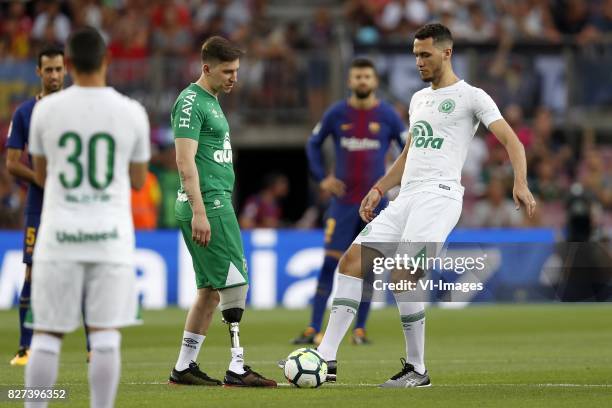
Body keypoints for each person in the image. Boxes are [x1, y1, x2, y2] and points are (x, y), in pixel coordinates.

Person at [314, 23, 536, 387]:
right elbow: (409, 152)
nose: (418, 61)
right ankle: (327, 359)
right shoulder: (418, 99)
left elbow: (513, 141)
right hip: (406, 197)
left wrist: (520, 182)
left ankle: (417, 369)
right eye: (415, 54)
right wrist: (380, 186)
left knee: (403, 274)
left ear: (447, 53)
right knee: (351, 263)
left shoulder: (472, 96)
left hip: (440, 196)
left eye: (425, 54)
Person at [25, 27, 150, 408]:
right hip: (110, 237)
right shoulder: (132, 112)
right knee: (105, 336)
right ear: (107, 61)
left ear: (70, 65)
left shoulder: (45, 110)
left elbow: (42, 176)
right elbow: (138, 179)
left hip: (59, 235)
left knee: (46, 336)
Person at [168, 35, 276, 387]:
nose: (234, 77)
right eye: (228, 71)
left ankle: (184, 367)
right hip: (209, 204)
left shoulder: (210, 100)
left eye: (237, 71)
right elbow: (184, 161)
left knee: (209, 292)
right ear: (206, 68)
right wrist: (200, 210)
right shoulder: (191, 102)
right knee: (235, 283)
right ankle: (237, 367)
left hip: (210, 203)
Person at [292, 57, 406, 346]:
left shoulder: (388, 116)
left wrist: (403, 179)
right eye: (358, 77)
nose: (362, 81)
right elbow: (312, 144)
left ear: (375, 81)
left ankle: (360, 330)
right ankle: (312, 328)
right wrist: (322, 179)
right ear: (349, 81)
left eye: (367, 77)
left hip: (375, 204)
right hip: (343, 203)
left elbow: (410, 146)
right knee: (331, 263)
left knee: (367, 267)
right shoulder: (337, 113)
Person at [5, 45, 92, 366]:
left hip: (76, 202)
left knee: (85, 269)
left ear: (66, 70)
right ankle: (25, 348)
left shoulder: (80, 109)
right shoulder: (25, 112)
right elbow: (12, 163)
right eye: (49, 70)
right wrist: (44, 180)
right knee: (33, 271)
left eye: (59, 69)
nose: (54, 75)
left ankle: (94, 347)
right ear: (38, 72)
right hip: (40, 204)